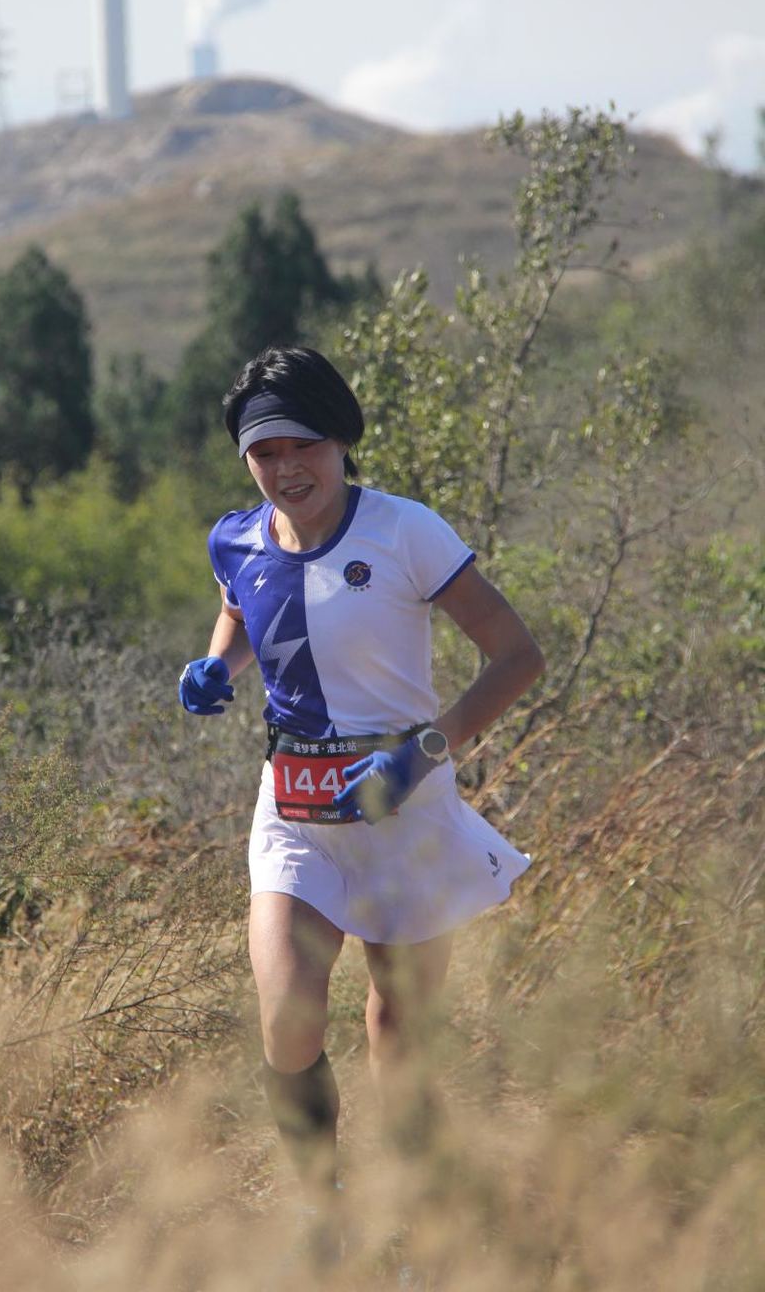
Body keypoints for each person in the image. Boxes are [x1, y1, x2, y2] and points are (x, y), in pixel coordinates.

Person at [178, 344, 544, 1212]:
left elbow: (517, 657)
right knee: (287, 1023)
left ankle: (422, 1215)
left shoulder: (405, 532)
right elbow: (243, 607)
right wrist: (217, 665)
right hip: (295, 815)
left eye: (304, 444)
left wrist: (420, 754)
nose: (287, 469)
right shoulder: (236, 538)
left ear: (342, 437)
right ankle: (323, 1215)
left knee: (397, 1034)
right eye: (264, 452)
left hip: (403, 812)